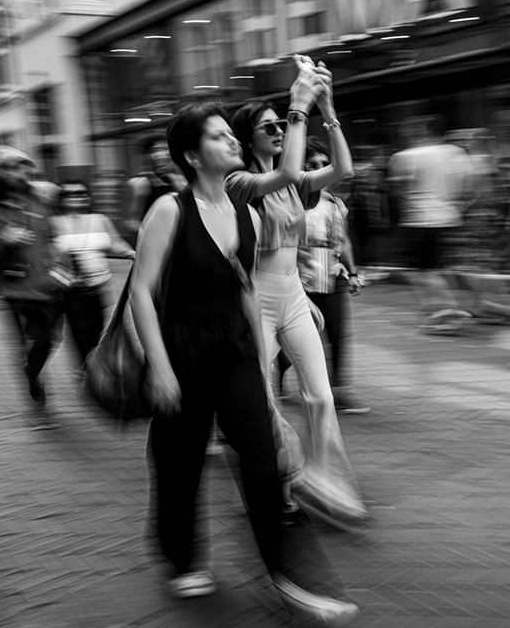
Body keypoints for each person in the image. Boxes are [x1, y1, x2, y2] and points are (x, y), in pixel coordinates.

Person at [130, 102, 358, 624]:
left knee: (264, 462)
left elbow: (246, 290)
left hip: (235, 351)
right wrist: (159, 367)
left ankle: (292, 577)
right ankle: (182, 557)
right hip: (183, 353)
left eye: (229, 134)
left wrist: (257, 360)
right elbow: (142, 292)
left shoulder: (244, 213)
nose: (231, 140)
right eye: (217, 137)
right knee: (180, 461)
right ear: (192, 156)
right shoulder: (170, 210)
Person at [227, 56, 367, 522]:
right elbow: (285, 172)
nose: (278, 130)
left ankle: (325, 481)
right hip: (255, 300)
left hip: (291, 294)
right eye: (268, 127)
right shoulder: (239, 182)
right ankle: (278, 483)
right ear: (247, 138)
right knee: (262, 401)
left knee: (321, 396)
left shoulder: (296, 185)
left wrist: (327, 107)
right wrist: (297, 104)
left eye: (280, 125)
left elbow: (344, 168)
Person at [0, 146, 65, 428]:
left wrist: (62, 267)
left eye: (26, 168)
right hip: (14, 290)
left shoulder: (41, 201)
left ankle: (31, 367)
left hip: (50, 285)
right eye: (13, 168)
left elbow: (56, 238)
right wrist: (5, 242)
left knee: (50, 340)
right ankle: (34, 384)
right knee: (31, 342)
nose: (22, 174)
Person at [277, 137, 369, 415]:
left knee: (338, 335)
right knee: (298, 335)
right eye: (312, 165)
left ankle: (340, 391)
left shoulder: (336, 204)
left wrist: (352, 273)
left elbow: (344, 241)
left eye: (324, 164)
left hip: (332, 276)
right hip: (299, 279)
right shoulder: (289, 202)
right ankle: (278, 374)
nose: (320, 169)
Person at [387, 115, 472, 334]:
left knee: (424, 271)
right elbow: (468, 186)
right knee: (441, 269)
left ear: (424, 131)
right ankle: (438, 312)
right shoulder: (457, 153)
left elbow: (399, 189)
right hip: (451, 219)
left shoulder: (406, 156)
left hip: (420, 220)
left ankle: (449, 309)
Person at [51, 180, 134, 366]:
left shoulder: (100, 219)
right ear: (60, 199)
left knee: (96, 333)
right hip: (71, 290)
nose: (75, 197)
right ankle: (88, 372)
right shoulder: (53, 222)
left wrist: (131, 253)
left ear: (88, 197)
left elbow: (115, 242)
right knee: (83, 338)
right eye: (68, 194)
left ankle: (91, 370)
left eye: (80, 193)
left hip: (98, 288)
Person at [119, 137, 187, 246]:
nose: (161, 154)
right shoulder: (140, 183)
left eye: (165, 149)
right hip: (158, 244)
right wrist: (158, 238)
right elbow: (130, 222)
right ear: (147, 156)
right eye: (155, 150)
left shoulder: (182, 179)